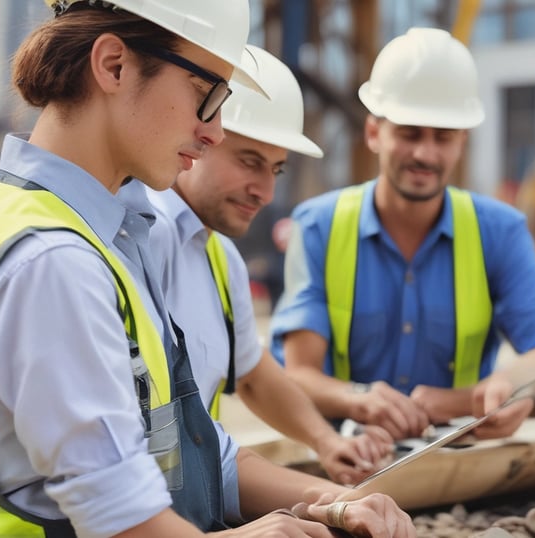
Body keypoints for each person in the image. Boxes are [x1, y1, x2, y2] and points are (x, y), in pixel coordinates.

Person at [0, 1, 416, 537]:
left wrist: (333, 499)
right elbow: (121, 519)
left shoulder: (98, 233)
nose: (216, 133)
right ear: (113, 65)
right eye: (208, 96)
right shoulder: (55, 261)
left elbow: (189, 454)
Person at [269, 27, 535, 442]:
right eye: (410, 133)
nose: (425, 154)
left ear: (462, 142)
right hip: (346, 454)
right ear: (374, 133)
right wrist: (359, 399)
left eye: (442, 137)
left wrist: (492, 391)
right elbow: (298, 374)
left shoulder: (500, 232)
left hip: (458, 457)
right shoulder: (319, 226)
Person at [140, 45, 393, 486]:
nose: (264, 192)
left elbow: (254, 374)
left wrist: (326, 442)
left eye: (275, 170)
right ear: (203, 135)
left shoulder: (221, 258)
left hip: (180, 503)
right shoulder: (137, 235)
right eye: (249, 161)